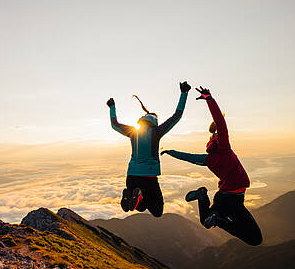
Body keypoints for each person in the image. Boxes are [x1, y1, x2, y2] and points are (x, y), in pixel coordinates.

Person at [161, 86, 262, 245]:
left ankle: (203, 196)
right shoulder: (224, 148)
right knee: (255, 239)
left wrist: (171, 152)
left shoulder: (209, 158)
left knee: (206, 220)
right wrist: (209, 98)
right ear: (217, 137)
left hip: (225, 198)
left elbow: (190, 157)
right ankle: (215, 215)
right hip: (232, 199)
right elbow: (220, 122)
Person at [107, 81, 191, 217]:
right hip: (148, 177)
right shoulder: (156, 131)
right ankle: (138, 197)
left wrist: (112, 107)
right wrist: (184, 93)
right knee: (157, 210)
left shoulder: (133, 131)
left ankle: (134, 196)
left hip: (131, 176)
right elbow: (177, 116)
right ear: (154, 120)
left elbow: (114, 125)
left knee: (137, 207)